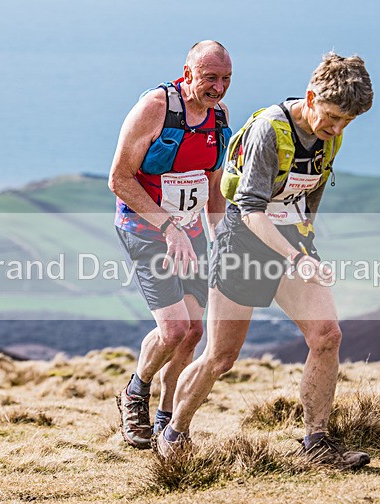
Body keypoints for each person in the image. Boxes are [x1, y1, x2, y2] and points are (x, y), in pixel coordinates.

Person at [159, 53, 373, 470]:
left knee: (327, 335)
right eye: (331, 117)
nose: (336, 129)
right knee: (221, 358)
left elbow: (310, 194)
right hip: (243, 242)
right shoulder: (268, 131)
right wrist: (295, 255)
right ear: (310, 97)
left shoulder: (331, 134)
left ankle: (316, 443)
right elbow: (252, 210)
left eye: (347, 122)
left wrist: (307, 249)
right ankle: (174, 430)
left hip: (291, 241)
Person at [108, 41, 232, 449]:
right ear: (187, 71)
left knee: (194, 331)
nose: (218, 87)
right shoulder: (155, 107)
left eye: (226, 79)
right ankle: (134, 392)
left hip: (192, 230)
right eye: (210, 77)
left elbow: (213, 188)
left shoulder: (219, 117)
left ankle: (165, 419)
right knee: (174, 327)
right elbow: (120, 179)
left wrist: (222, 242)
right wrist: (168, 228)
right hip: (146, 227)